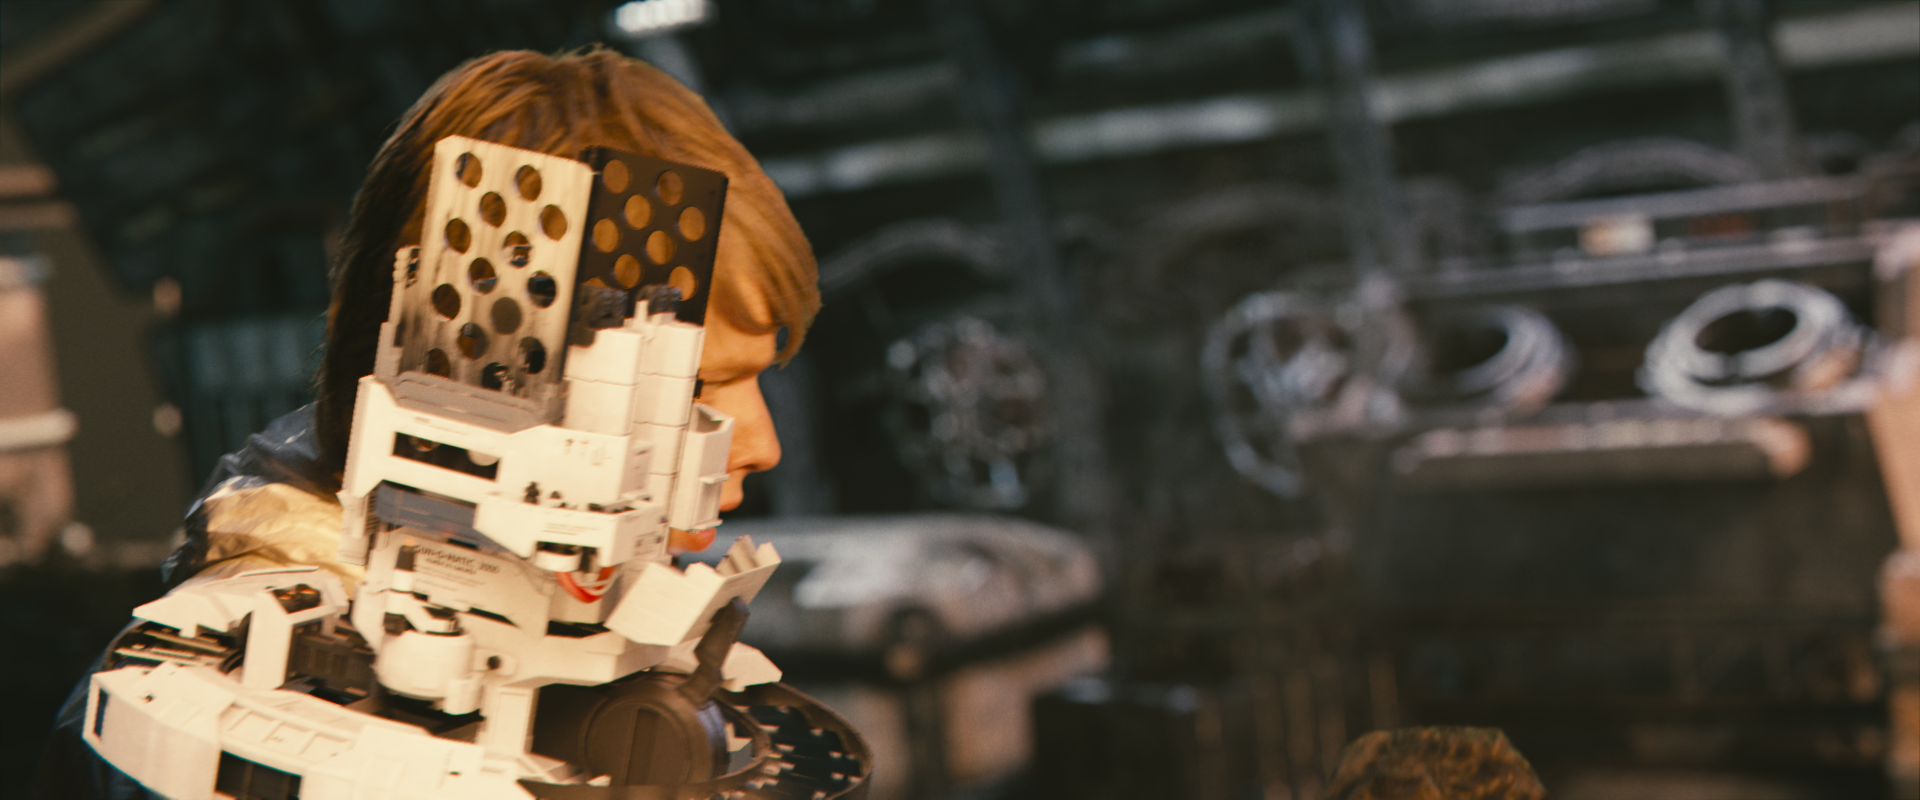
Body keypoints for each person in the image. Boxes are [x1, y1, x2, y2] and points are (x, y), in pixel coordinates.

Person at [34, 46, 821, 799]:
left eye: (758, 377)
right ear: (481, 381)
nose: (762, 444)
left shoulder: (586, 651)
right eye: (700, 388)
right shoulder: (216, 707)